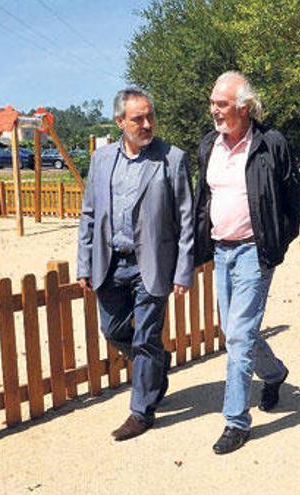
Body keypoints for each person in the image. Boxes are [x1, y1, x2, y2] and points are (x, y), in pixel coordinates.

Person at [194, 71, 300, 455]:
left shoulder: (270, 143)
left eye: (221, 104)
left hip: (254, 252)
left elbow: (293, 199)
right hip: (222, 250)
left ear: (243, 106)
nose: (214, 110)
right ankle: (274, 373)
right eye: (212, 103)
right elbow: (203, 199)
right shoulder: (209, 145)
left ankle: (235, 421)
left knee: (239, 335)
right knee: (234, 330)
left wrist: (276, 242)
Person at [76, 87, 194, 441]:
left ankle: (141, 412)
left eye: (150, 117)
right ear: (119, 122)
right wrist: (84, 262)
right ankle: (156, 362)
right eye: (137, 118)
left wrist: (184, 269)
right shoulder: (101, 159)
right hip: (109, 262)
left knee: (145, 336)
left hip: (152, 264)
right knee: (112, 331)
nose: (146, 124)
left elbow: (186, 219)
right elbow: (89, 214)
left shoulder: (171, 159)